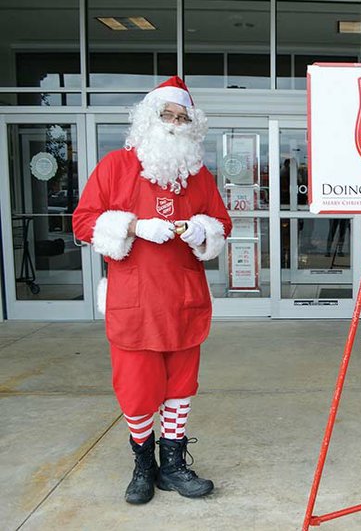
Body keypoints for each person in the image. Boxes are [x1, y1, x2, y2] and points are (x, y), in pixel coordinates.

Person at [72, 76, 232, 505]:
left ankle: (174, 467)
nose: (175, 124)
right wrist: (131, 225)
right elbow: (84, 221)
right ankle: (144, 466)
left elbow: (221, 225)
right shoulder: (114, 166)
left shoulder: (198, 175)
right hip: (134, 301)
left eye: (183, 117)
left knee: (181, 387)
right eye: (168, 115)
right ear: (149, 118)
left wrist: (201, 229)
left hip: (183, 299)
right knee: (138, 391)